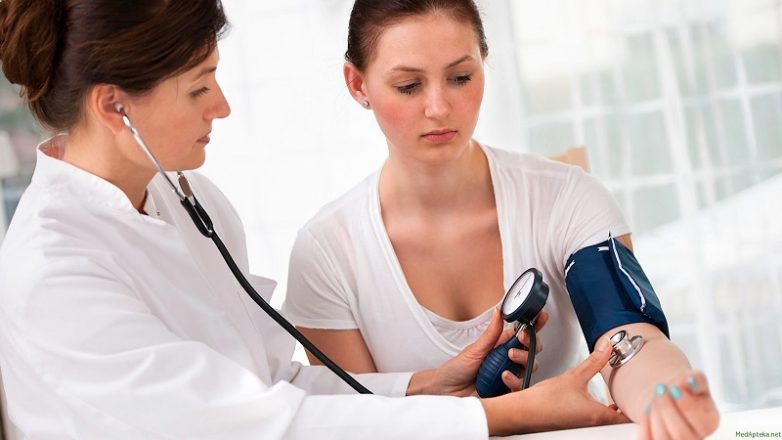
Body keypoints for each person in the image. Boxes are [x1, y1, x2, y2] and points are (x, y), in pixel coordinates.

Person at [0, 1, 635, 438]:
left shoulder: (189, 201)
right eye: (198, 87)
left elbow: (273, 383)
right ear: (115, 108)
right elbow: (265, 426)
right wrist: (508, 415)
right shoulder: (56, 276)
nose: (221, 107)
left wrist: (425, 384)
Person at [282, 1, 720, 439]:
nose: (439, 107)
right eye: (409, 86)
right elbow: (356, 423)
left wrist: (663, 395)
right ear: (357, 84)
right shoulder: (327, 252)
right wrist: (509, 413)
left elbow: (627, 336)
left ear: (484, 64)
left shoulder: (565, 197)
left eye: (460, 77)